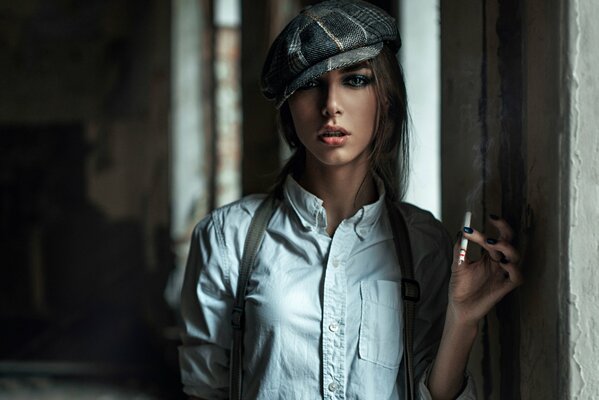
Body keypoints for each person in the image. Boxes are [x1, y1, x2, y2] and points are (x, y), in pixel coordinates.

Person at [178, 1, 523, 399]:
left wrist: (462, 320)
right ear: (288, 107)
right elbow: (204, 389)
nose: (331, 105)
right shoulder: (227, 238)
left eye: (355, 80)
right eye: (310, 83)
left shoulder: (423, 242)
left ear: (387, 100)